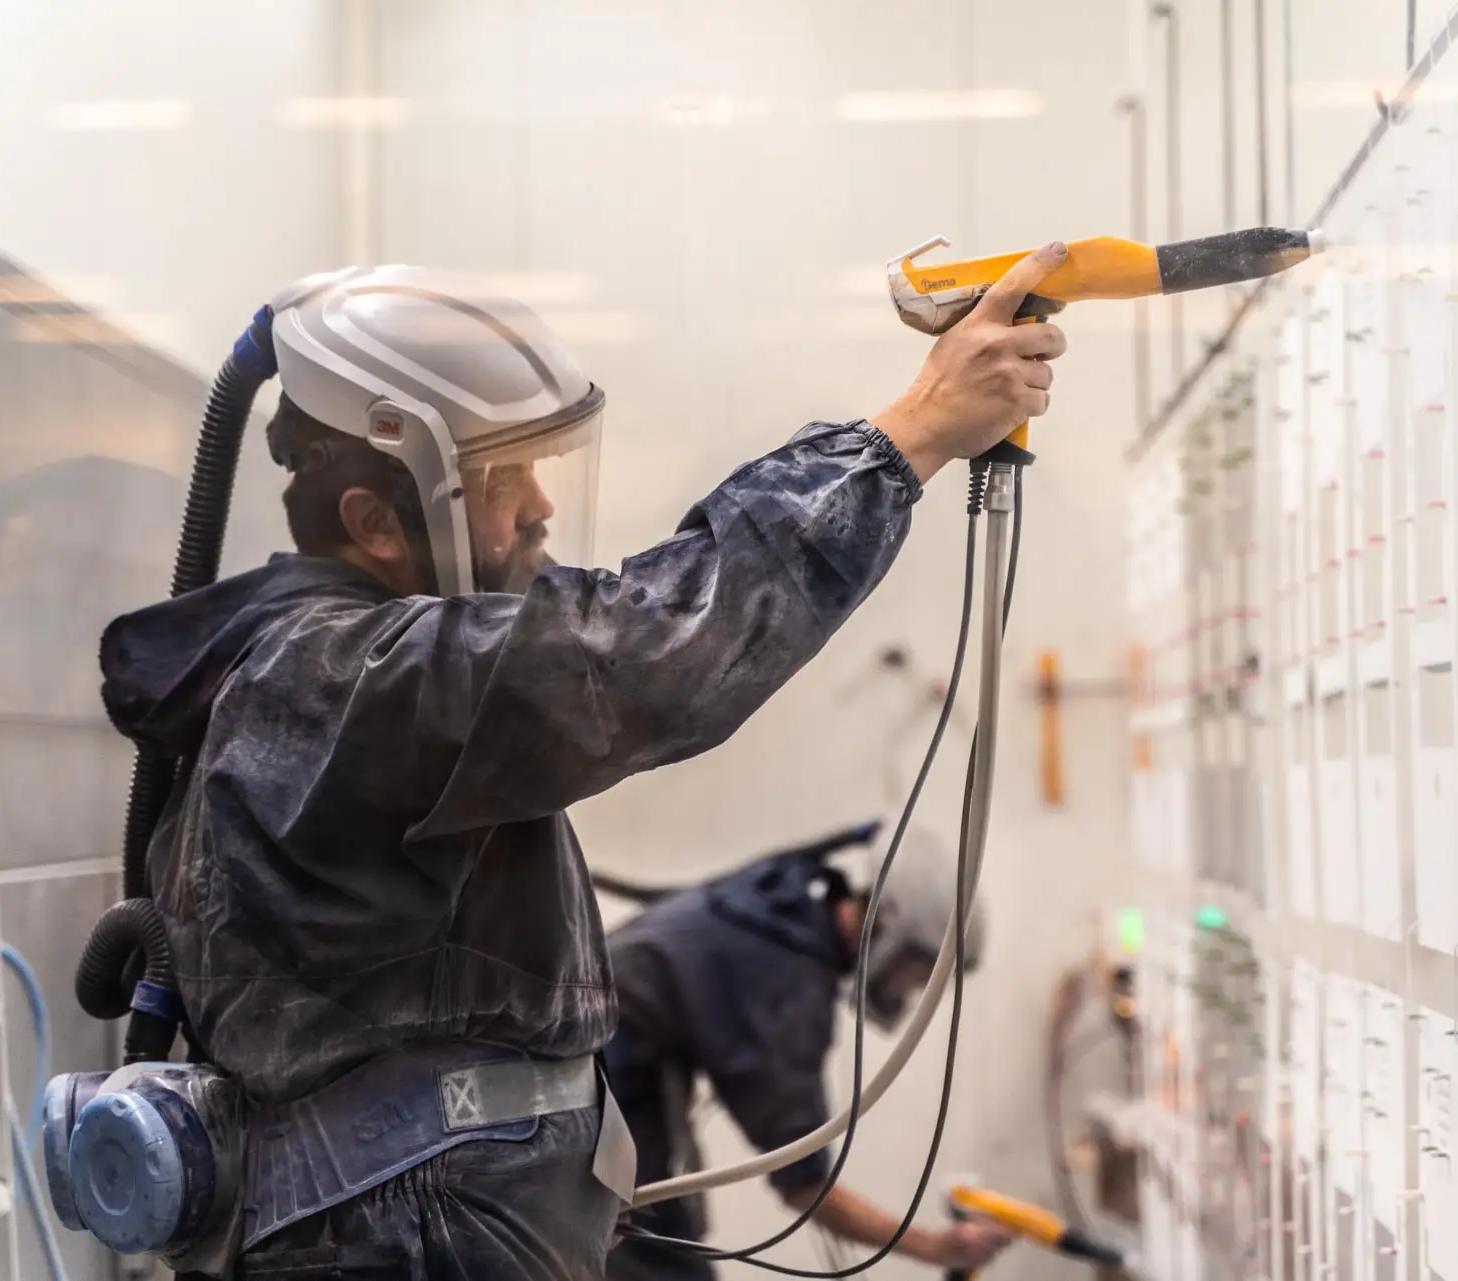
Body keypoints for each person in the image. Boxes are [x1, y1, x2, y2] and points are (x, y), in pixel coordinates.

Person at [97, 244, 1067, 1281]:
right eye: (503, 478)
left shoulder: (356, 667)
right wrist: (908, 435)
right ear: (378, 521)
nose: (542, 510)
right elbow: (641, 655)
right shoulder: (337, 679)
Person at [601, 823, 1008, 1281]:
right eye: (921, 970)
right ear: (888, 922)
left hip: (605, 1068)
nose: (915, 990)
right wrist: (935, 1247)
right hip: (603, 1078)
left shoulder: (788, 898)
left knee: (659, 1237)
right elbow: (806, 1188)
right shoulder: (787, 987)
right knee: (661, 1264)